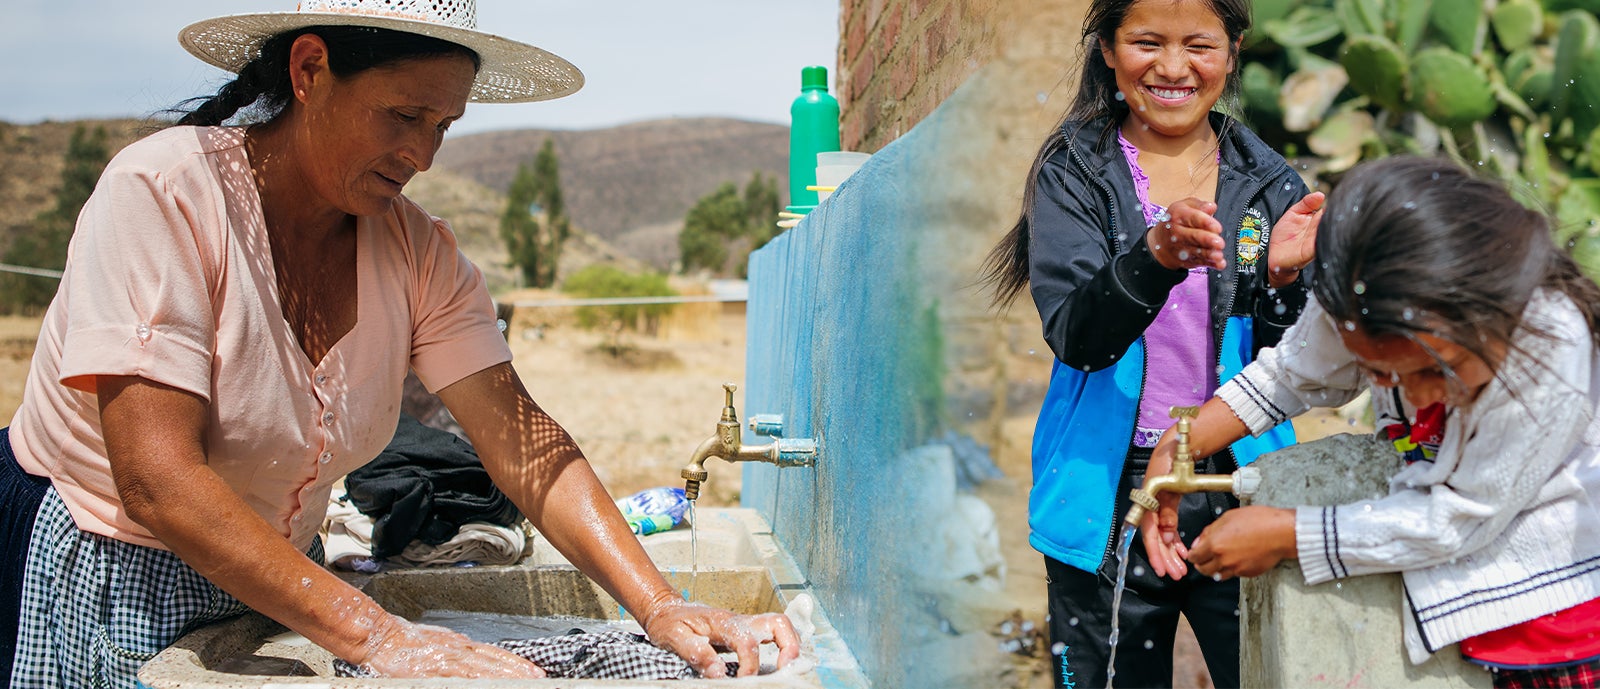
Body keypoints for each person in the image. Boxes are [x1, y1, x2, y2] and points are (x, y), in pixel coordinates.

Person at [0, 2, 797, 686]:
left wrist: (657, 604)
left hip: (284, 578)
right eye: (403, 116)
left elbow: (526, 449)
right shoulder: (164, 194)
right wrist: (379, 635)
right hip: (114, 568)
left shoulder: (418, 252)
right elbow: (159, 480)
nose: (423, 154)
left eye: (444, 126)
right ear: (309, 69)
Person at [1140, 155, 1600, 688]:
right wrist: (1181, 444)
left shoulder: (1549, 347)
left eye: (1433, 369)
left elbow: (1458, 519)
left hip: (1563, 630)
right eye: (1378, 372)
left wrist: (1288, 533)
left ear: (1487, 313)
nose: (1412, 392)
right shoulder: (1366, 294)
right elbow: (1292, 372)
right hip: (1464, 609)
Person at [980, 0, 1327, 685]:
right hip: (1107, 496)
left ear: (1232, 51)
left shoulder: (1270, 182)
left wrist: (1285, 281)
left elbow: (1296, 364)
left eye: (1198, 44)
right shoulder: (1074, 174)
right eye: (1146, 42)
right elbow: (1077, 337)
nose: (1172, 67)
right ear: (1108, 50)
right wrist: (1154, 256)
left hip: (1238, 482)